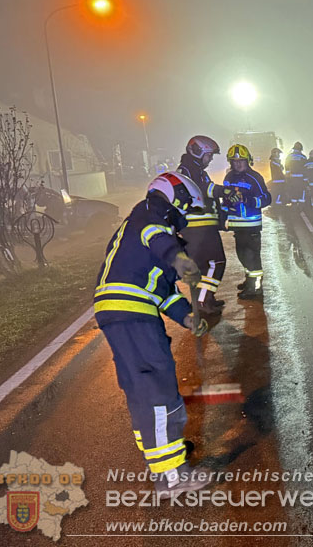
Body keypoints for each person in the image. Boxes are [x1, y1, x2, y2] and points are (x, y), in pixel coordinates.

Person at [94, 172, 212, 498]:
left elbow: (163, 293)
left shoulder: (143, 228)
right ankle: (171, 478)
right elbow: (156, 237)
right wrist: (179, 258)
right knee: (156, 389)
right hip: (132, 311)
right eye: (185, 207)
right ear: (172, 198)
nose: (185, 216)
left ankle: (165, 454)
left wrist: (187, 316)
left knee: (144, 389)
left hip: (126, 310)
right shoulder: (148, 214)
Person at [176, 135, 241, 315]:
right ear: (197, 152)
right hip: (198, 228)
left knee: (204, 266)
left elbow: (208, 189)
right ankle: (203, 301)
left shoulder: (194, 169)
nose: (211, 159)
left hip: (200, 227)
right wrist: (225, 191)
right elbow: (205, 189)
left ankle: (206, 300)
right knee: (217, 262)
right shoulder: (188, 170)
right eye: (209, 155)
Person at [223, 144, 272, 298]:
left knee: (252, 258)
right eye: (234, 161)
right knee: (242, 255)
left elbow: (266, 198)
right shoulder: (229, 178)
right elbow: (225, 200)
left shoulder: (255, 177)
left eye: (241, 161)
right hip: (237, 226)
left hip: (251, 226)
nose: (237, 164)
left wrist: (249, 200)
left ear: (248, 160)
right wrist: (224, 215)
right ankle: (249, 281)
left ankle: (256, 288)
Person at [284, 141, 307, 206]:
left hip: (292, 177)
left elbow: (286, 166)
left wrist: (288, 175)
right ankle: (301, 205)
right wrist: (305, 178)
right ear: (301, 149)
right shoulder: (303, 157)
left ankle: (294, 204)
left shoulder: (289, 156)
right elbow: (305, 167)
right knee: (301, 190)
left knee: (293, 190)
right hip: (301, 178)